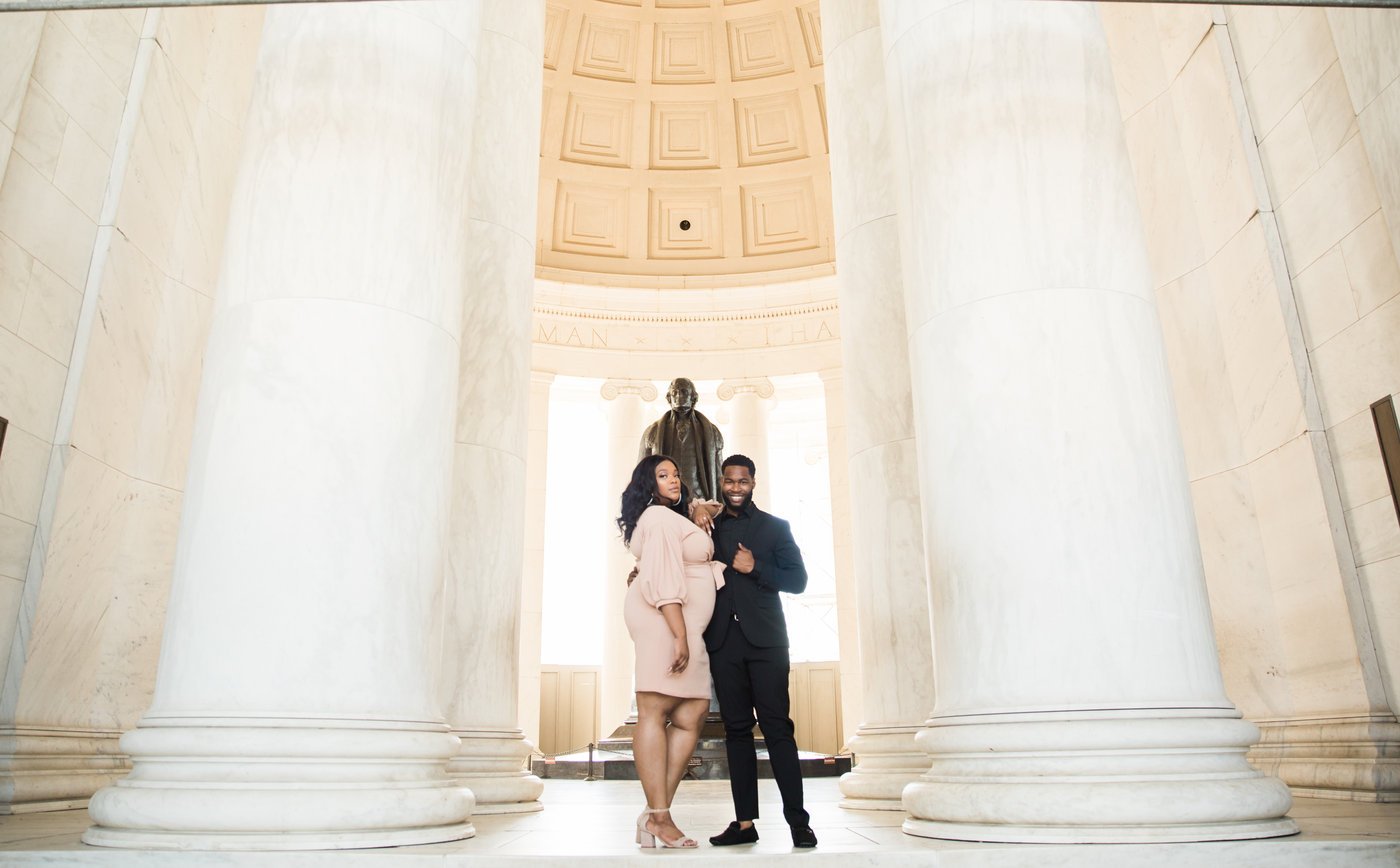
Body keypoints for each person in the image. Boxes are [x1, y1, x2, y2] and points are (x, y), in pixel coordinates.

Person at [704, 454, 817, 849]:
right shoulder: (706, 527)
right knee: (735, 732)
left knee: (777, 729)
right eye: (730, 481)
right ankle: (745, 823)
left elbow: (799, 581)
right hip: (722, 643)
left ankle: (798, 823)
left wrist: (757, 568)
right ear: (722, 481)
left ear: (754, 483)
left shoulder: (775, 527)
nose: (736, 487)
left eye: (743, 481)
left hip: (768, 643)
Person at [617, 454, 725, 849]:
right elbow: (663, 576)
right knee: (655, 706)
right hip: (665, 620)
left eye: (676, 474)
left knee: (692, 710)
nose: (674, 480)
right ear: (648, 482)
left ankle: (654, 814)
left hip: (682, 621)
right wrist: (679, 634)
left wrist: (696, 507)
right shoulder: (658, 518)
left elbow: (703, 519)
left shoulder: (671, 515)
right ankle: (660, 817)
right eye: (663, 475)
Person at [638, 378, 725, 502]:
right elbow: (641, 475)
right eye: (675, 393)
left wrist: (722, 510)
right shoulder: (653, 431)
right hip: (664, 504)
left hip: (699, 502)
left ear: (693, 398)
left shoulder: (712, 432)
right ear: (669, 398)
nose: (679, 396)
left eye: (684, 392)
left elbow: (718, 475)